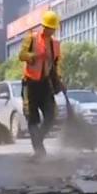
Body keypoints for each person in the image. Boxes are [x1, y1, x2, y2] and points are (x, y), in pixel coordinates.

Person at [19, 10, 63, 160]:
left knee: (51, 116)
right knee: (32, 119)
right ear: (43, 26)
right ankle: (39, 150)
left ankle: (38, 142)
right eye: (48, 27)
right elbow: (21, 55)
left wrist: (59, 83)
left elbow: (55, 66)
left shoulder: (56, 45)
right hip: (30, 84)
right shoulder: (31, 38)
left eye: (52, 28)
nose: (50, 30)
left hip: (45, 84)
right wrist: (36, 56)